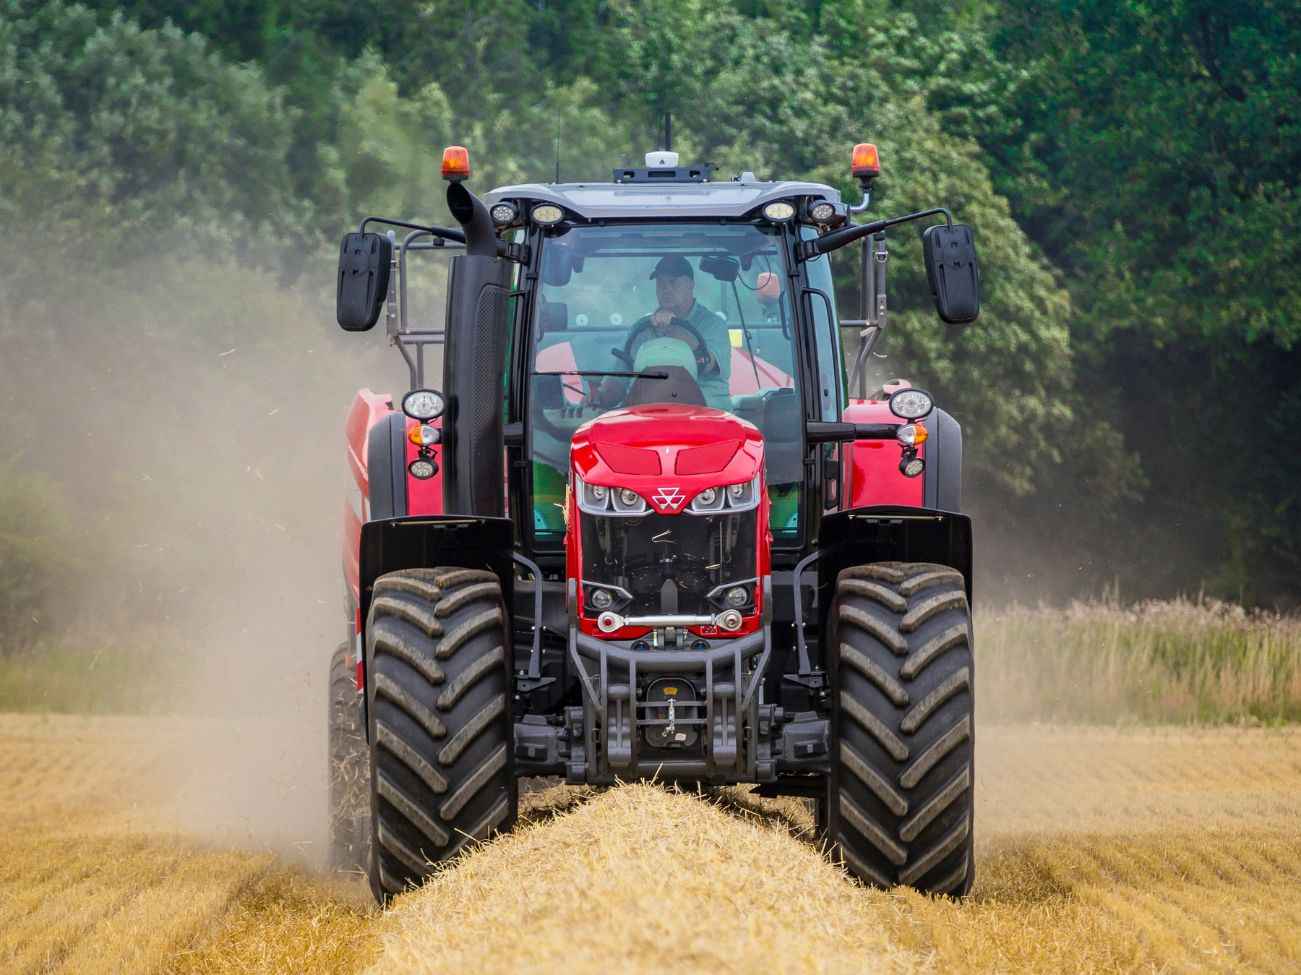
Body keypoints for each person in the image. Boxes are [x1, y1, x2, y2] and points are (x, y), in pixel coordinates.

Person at [597, 255, 731, 406]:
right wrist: (599, 397)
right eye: (660, 283)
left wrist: (674, 326)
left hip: (706, 419)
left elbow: (708, 363)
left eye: (673, 282)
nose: (666, 288)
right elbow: (619, 380)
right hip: (647, 418)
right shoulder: (641, 329)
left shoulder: (713, 325)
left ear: (691, 285)